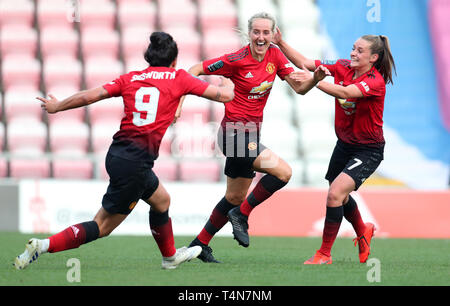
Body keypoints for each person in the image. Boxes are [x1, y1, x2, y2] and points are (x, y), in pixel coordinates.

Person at [13, 32, 235, 270]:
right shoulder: (179, 77)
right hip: (136, 163)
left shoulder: (132, 78)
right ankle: (43, 245)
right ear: (174, 61)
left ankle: (169, 257)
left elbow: (91, 96)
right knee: (102, 226)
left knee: (161, 201)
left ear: (148, 58)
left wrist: (57, 107)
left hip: (118, 154)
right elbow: (225, 96)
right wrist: (228, 80)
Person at [176, 12, 329, 263]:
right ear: (249, 34)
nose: (261, 37)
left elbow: (300, 88)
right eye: (256, 32)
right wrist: (179, 103)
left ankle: (200, 243)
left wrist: (315, 79)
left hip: (250, 138)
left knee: (234, 197)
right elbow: (193, 70)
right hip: (233, 134)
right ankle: (242, 215)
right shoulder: (235, 59)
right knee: (283, 172)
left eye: (265, 32)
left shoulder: (276, 56)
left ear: (272, 34)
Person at [273, 27, 396, 264]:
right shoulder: (341, 65)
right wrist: (280, 42)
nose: (353, 53)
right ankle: (363, 230)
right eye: (353, 48)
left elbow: (344, 91)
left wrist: (315, 81)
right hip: (345, 145)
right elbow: (307, 63)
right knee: (338, 195)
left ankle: (324, 254)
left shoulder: (375, 81)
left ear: (373, 58)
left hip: (368, 149)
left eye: (360, 51)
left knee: (335, 194)